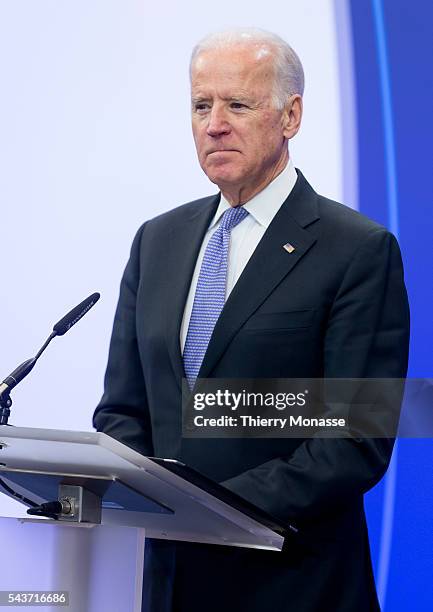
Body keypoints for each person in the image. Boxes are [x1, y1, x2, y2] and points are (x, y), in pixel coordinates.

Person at [93, 28, 410, 612]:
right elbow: (123, 409)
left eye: (237, 104)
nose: (215, 123)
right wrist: (144, 497)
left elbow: (354, 440)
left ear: (290, 116)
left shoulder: (357, 250)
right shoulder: (156, 241)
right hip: (165, 581)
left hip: (291, 584)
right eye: (200, 105)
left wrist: (208, 508)